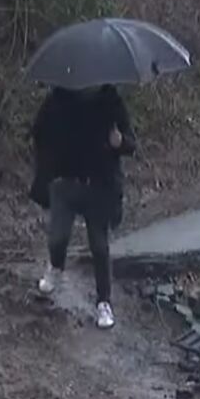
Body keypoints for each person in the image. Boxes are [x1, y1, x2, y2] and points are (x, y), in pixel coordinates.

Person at [29, 84, 135, 329]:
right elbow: (38, 132)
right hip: (65, 184)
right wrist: (52, 156)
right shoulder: (58, 99)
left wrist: (119, 142)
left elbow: (131, 143)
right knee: (58, 238)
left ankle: (103, 303)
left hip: (99, 185)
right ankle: (55, 267)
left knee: (99, 246)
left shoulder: (111, 101)